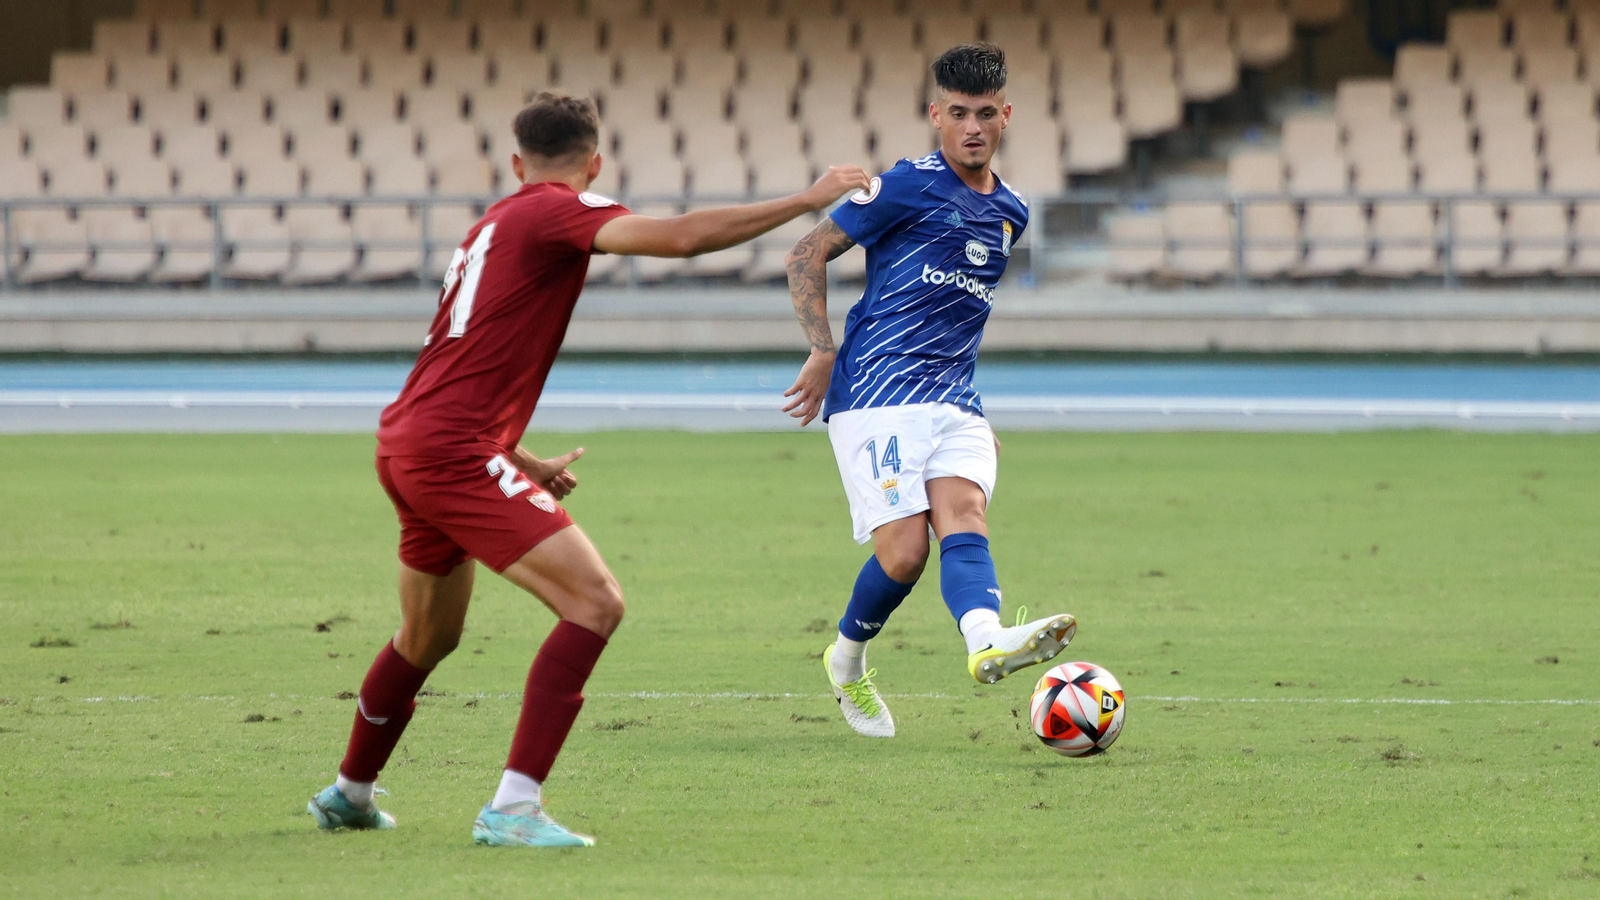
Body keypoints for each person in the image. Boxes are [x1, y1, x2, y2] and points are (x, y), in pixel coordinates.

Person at [306, 92, 870, 845]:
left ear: (515, 162)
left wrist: (518, 457)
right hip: (452, 453)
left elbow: (458, 360)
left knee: (425, 638)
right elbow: (680, 239)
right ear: (595, 162)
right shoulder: (556, 210)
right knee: (595, 604)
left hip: (412, 442)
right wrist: (809, 197)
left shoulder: (490, 225)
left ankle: (350, 791)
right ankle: (513, 808)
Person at [781, 44, 1076, 739]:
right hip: (877, 395)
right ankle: (846, 662)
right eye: (958, 114)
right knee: (905, 554)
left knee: (965, 514)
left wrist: (969, 405)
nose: (972, 127)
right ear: (935, 115)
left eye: (985, 114)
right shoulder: (907, 186)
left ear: (1006, 116)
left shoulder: (1010, 210)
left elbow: (961, 314)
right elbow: (805, 253)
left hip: (956, 401)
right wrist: (823, 350)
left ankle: (986, 642)